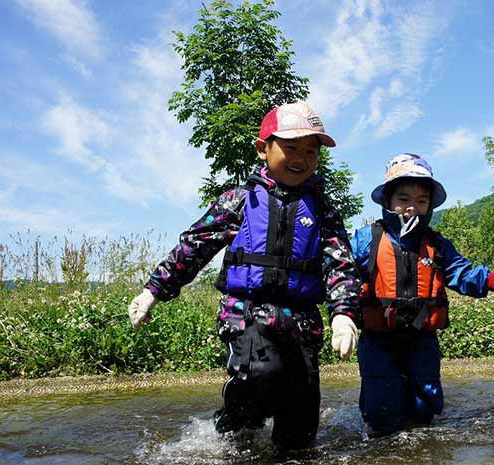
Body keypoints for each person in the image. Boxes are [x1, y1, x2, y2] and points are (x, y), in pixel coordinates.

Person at [126, 102, 361, 449]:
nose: (302, 158)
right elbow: (194, 247)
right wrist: (153, 290)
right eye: (291, 147)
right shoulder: (239, 200)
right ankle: (232, 428)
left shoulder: (323, 210)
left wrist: (344, 314)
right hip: (246, 312)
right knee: (261, 377)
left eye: (311, 151)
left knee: (301, 424)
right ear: (263, 148)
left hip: (302, 321)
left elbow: (340, 264)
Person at [332, 153, 494, 437]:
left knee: (422, 410)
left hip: (421, 340)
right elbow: (340, 271)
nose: (412, 209)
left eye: (421, 201)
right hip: (378, 341)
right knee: (381, 410)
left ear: (429, 206)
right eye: (403, 199)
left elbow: (464, 273)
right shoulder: (367, 240)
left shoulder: (437, 245)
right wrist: (342, 316)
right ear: (388, 202)